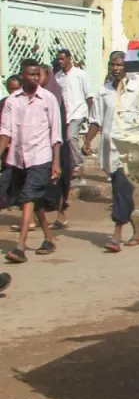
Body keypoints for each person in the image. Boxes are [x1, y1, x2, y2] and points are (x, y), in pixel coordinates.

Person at [0, 59, 63, 263]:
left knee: (28, 198)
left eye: (38, 74)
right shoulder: (12, 101)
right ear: (23, 75)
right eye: (31, 74)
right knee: (34, 202)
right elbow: (6, 132)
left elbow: (56, 134)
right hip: (18, 158)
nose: (35, 78)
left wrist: (56, 163)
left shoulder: (48, 99)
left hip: (41, 157)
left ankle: (20, 247)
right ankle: (49, 238)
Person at [84, 52, 139, 252]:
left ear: (126, 66)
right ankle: (138, 232)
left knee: (121, 189)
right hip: (110, 149)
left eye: (119, 65)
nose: (116, 68)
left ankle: (116, 235)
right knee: (122, 191)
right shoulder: (104, 91)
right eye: (113, 65)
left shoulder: (138, 89)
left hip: (131, 150)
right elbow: (96, 120)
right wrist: (87, 140)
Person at [38, 65, 73, 231]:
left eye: (40, 75)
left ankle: (61, 215)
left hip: (57, 144)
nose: (37, 78)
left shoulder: (54, 95)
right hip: (41, 143)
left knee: (59, 180)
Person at [53, 49, 93, 173]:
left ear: (69, 59)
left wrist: (91, 116)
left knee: (71, 137)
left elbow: (89, 95)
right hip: (65, 113)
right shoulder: (58, 76)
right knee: (64, 140)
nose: (60, 61)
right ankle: (68, 163)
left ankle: (78, 163)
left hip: (78, 111)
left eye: (62, 59)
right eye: (59, 59)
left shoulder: (81, 74)